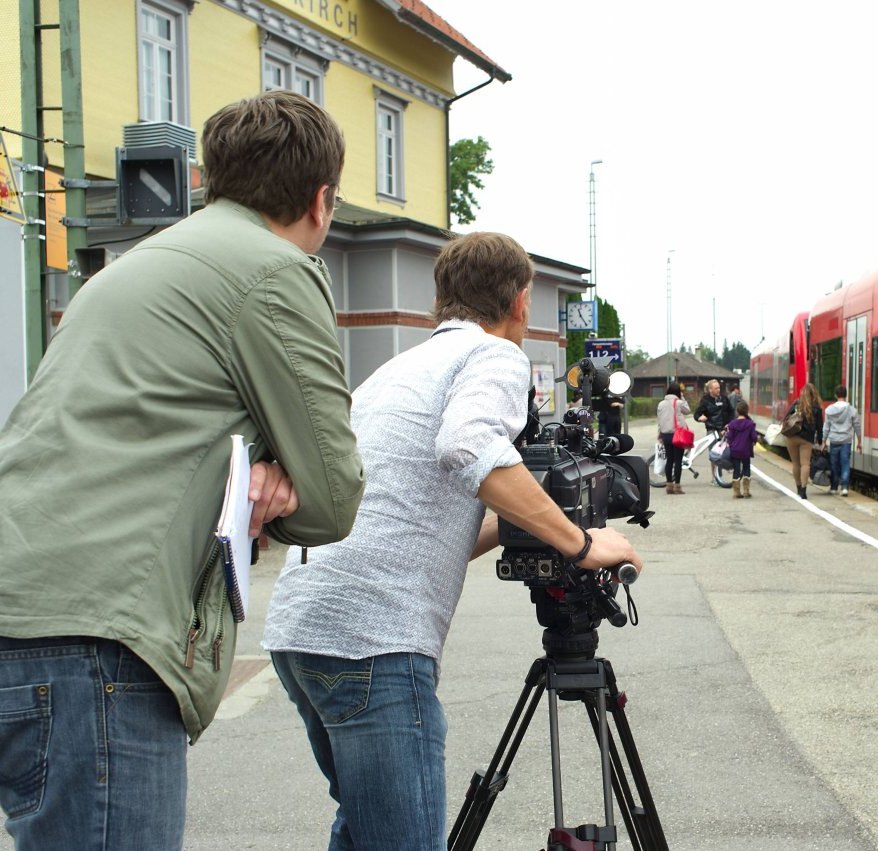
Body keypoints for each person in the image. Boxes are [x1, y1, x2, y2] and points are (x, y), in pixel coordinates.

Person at [0, 90, 365, 849]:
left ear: (208, 178)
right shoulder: (276, 270)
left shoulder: (132, 268)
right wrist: (270, 481)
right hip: (102, 636)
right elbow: (333, 497)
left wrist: (252, 461)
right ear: (321, 199)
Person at [262, 232, 646, 850]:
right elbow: (469, 447)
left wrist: (524, 525)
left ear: (441, 300)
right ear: (521, 301)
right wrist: (580, 543)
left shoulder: (395, 371)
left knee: (364, 830)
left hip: (302, 630)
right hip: (374, 642)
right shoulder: (495, 355)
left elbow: (413, 524)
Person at [784, 383, 824, 498]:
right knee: (805, 464)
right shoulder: (816, 408)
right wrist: (820, 441)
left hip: (792, 437)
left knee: (796, 464)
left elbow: (786, 418)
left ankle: (798, 487)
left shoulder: (796, 404)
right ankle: (803, 490)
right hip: (807, 439)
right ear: (814, 394)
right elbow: (820, 427)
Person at [822, 384, 862, 497]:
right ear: (846, 395)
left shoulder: (829, 410)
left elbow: (826, 427)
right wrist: (859, 441)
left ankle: (834, 487)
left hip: (834, 441)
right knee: (845, 464)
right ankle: (844, 488)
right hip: (846, 441)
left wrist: (823, 441)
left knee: (834, 464)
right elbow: (857, 426)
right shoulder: (851, 410)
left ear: (835, 395)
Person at [695, 378, 734, 482]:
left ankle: (724, 473)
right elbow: (696, 414)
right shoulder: (705, 401)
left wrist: (729, 423)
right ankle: (715, 478)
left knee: (725, 452)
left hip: (724, 429)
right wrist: (700, 418)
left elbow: (731, 412)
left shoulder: (724, 399)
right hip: (712, 430)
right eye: (716, 388)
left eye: (719, 388)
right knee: (714, 454)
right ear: (710, 390)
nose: (718, 390)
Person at [657, 381, 691, 494]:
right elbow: (688, 410)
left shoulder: (661, 404)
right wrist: (683, 398)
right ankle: (677, 486)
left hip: (665, 435)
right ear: (678, 392)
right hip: (678, 435)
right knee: (678, 461)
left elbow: (659, 420)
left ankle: (669, 485)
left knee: (669, 460)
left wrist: (660, 434)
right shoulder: (679, 403)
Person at [726, 400, 757, 498]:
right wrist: (755, 440)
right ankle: (746, 491)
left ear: (737, 411)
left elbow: (730, 436)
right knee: (746, 467)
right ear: (747, 411)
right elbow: (754, 437)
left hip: (735, 450)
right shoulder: (750, 424)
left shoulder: (732, 424)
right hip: (746, 450)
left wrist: (726, 433)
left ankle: (736, 492)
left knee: (736, 469)